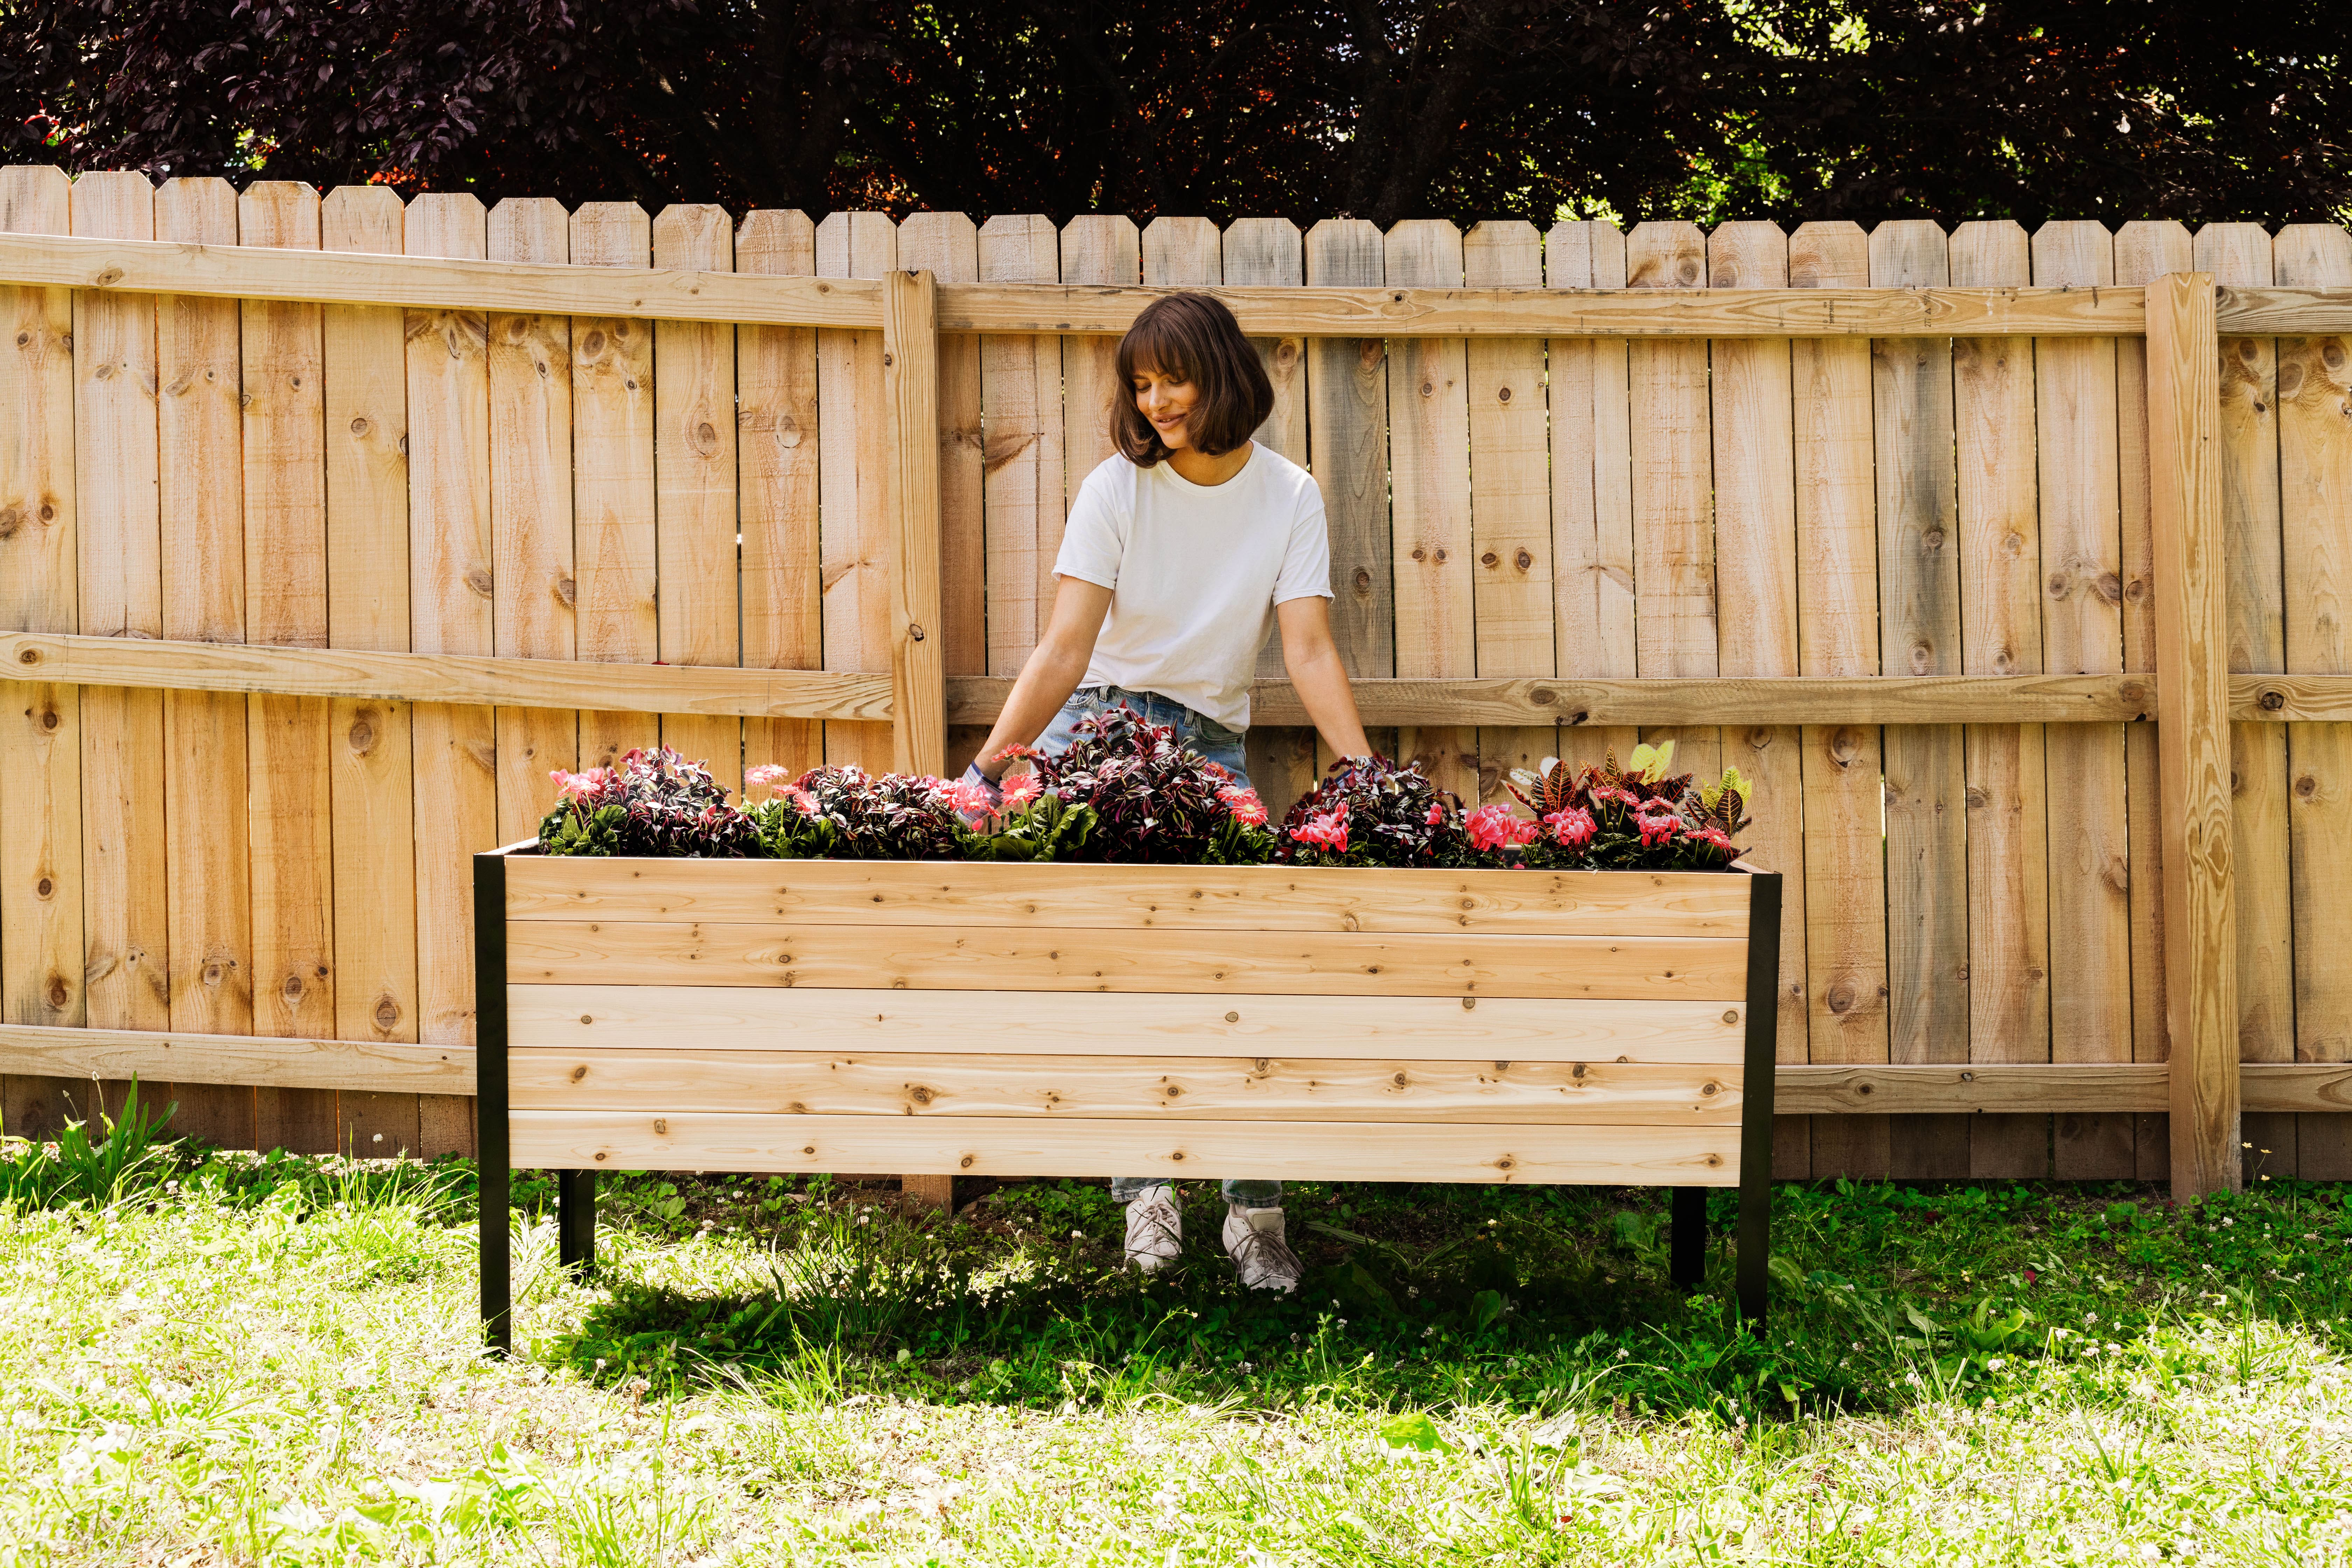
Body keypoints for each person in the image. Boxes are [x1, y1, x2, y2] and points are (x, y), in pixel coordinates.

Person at [960, 292, 1373, 1293]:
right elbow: (1064, 648)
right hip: (1101, 737)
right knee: (1122, 978)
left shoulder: (1290, 495)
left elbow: (1309, 649)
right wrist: (986, 770)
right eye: (1140, 386)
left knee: (1247, 978)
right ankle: (1147, 1197)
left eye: (1172, 380)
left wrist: (1364, 777)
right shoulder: (1118, 489)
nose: (1155, 403)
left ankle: (1254, 1216)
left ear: (1221, 375)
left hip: (1212, 749)